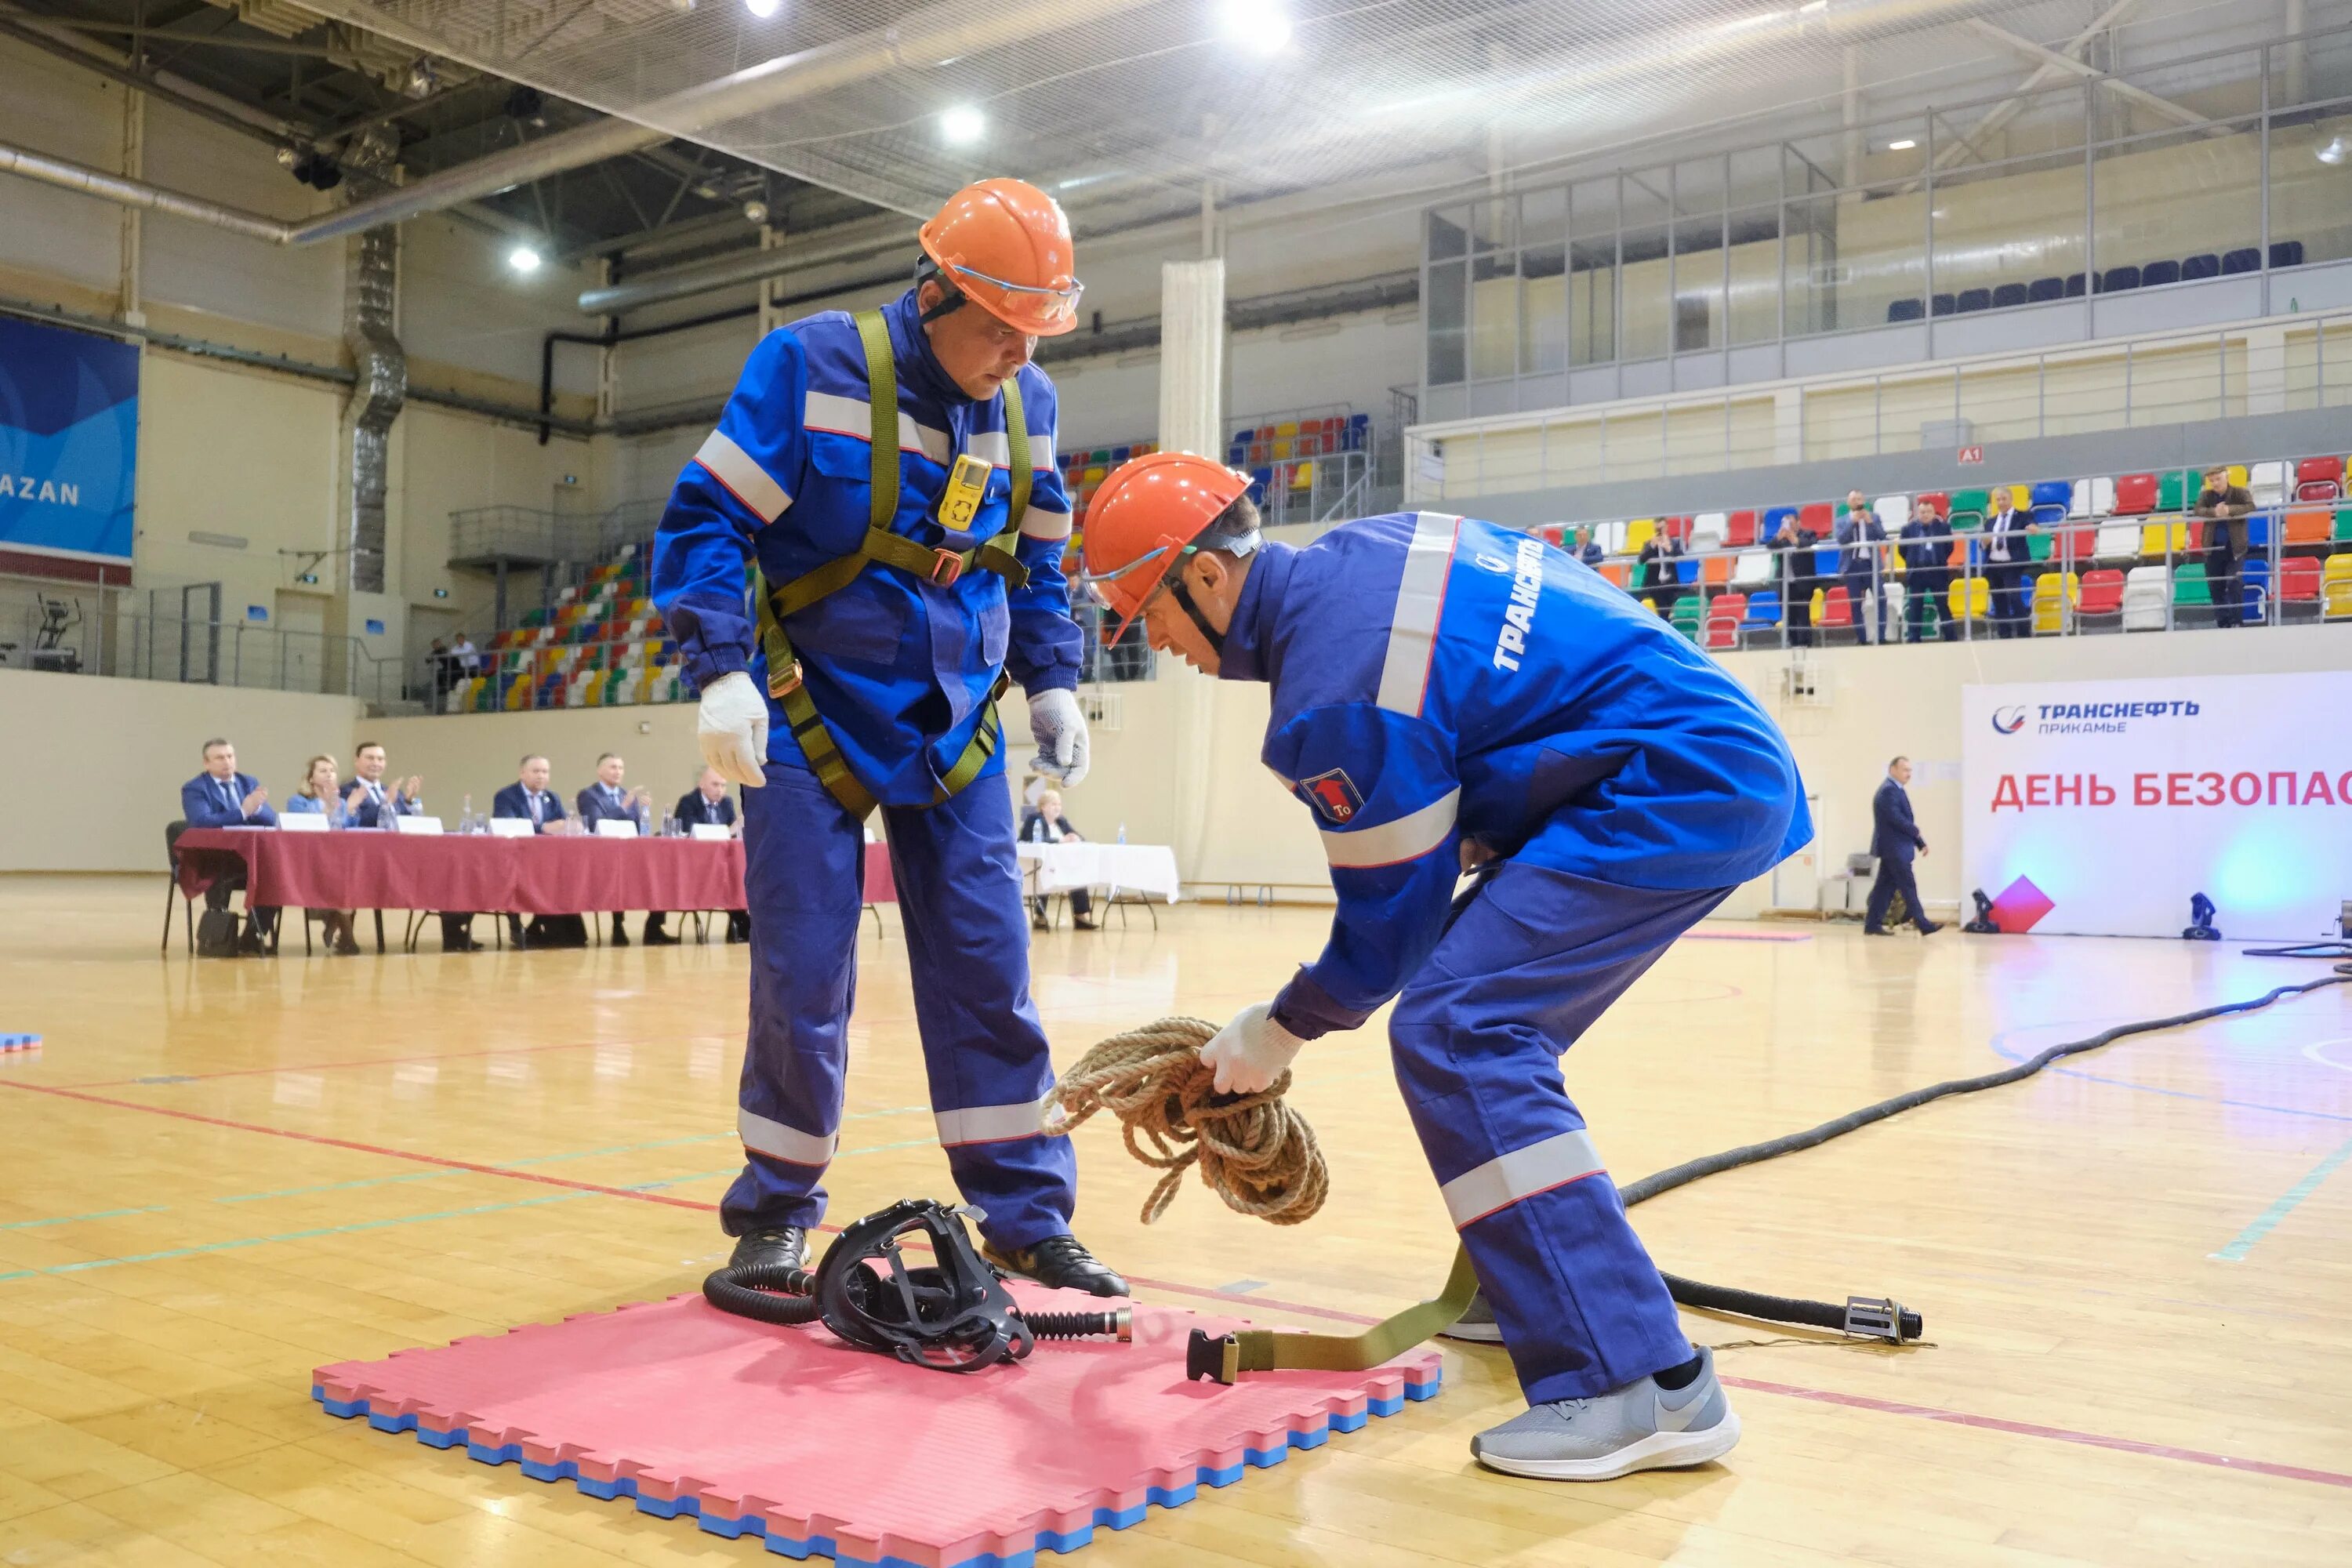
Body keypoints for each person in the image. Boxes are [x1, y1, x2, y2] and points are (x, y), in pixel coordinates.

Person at [1080, 452, 1811, 1483]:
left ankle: (1642, 1384)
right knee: (1466, 1019)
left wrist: (1277, 1029)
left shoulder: (1336, 696)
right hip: (1696, 760)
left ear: (1204, 577)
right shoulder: (1375, 547)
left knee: (1460, 1028)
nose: (1152, 644)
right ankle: (1537, 1301)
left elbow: (1389, 928)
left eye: (1142, 614)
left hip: (1669, 789)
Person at [651, 178, 1123, 1295]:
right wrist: (720, 670)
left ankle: (1023, 1212)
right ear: (935, 293)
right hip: (809, 714)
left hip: (957, 726)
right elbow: (709, 518)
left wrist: (1051, 680)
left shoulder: (1031, 405)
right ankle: (774, 1214)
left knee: (988, 968)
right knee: (802, 972)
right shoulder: (810, 366)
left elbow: (1041, 557)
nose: (1018, 352)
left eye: (1036, 332)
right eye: (1001, 327)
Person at [178, 738, 279, 953]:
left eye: (230, 756)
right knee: (219, 872)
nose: (227, 762)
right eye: (220, 758)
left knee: (277, 873)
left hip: (249, 857)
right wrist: (243, 812)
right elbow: (201, 822)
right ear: (206, 763)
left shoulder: (248, 782)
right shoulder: (195, 788)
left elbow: (271, 819)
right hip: (212, 858)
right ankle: (218, 936)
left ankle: (252, 934)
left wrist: (257, 809)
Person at [283, 754, 362, 956]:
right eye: (323, 771)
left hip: (338, 861)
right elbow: (303, 829)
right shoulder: (298, 801)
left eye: (332, 771)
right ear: (311, 778)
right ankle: (346, 936)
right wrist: (327, 810)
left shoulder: (341, 803)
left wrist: (350, 810)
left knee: (353, 877)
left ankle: (342, 931)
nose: (329, 775)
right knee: (343, 880)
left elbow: (349, 830)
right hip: (309, 862)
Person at [576, 753, 658, 946]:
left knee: (655, 874)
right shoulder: (589, 795)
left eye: (621, 768)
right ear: (600, 771)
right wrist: (624, 806)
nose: (618, 772)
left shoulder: (626, 795)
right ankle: (616, 925)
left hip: (627, 854)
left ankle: (653, 927)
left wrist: (645, 811)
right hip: (600, 855)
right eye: (613, 767)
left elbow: (640, 829)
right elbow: (596, 822)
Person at [493, 755, 574, 948]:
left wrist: (571, 825)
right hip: (514, 858)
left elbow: (561, 823)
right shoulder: (506, 796)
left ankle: (541, 924)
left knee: (563, 876)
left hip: (545, 860)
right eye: (536, 771)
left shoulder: (552, 797)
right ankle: (515, 924)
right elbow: (509, 826)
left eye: (545, 772)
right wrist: (543, 828)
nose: (541, 776)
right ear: (522, 773)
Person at [669, 766, 750, 943]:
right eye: (715, 785)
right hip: (695, 866)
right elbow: (691, 831)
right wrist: (730, 829)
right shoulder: (688, 802)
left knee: (737, 874)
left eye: (723, 785)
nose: (720, 790)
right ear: (702, 785)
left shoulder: (726, 802)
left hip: (720, 864)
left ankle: (739, 921)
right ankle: (740, 921)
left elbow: (731, 835)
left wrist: (737, 828)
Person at [1864, 757, 1940, 936]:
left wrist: (1919, 842)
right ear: (1893, 770)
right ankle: (1923, 924)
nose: (1909, 774)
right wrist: (1916, 832)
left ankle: (1872, 925)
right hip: (1894, 849)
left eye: (1910, 770)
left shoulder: (1897, 790)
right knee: (1908, 887)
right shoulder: (1888, 791)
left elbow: (1904, 821)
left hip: (1895, 849)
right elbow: (1896, 819)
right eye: (1905, 770)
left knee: (1884, 889)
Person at [1018, 788, 1094, 931]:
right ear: (1043, 807)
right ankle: (1040, 917)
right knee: (1046, 872)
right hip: (1036, 864)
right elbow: (1034, 840)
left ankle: (1080, 916)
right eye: (1053, 804)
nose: (1057, 807)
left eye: (1059, 804)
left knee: (1077, 873)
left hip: (1061, 863)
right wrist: (1061, 840)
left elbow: (1077, 836)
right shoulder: (1034, 819)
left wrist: (1075, 838)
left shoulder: (1061, 821)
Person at [2191, 463, 2256, 629]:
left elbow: (2250, 506)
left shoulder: (2240, 492)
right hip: (2212, 549)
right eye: (2212, 481)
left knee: (2234, 582)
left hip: (2235, 548)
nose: (2215, 483)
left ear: (2226, 476)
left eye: (2218, 479)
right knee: (2215, 586)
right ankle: (2223, 622)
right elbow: (2197, 510)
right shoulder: (2206, 495)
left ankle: (2236, 621)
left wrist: (2229, 510)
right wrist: (2214, 512)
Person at [1980, 487, 2038, 639]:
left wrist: (2032, 527)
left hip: (2011, 564)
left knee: (2014, 598)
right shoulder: (1991, 521)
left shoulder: (2022, 515)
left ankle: (2023, 633)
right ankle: (2004, 634)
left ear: (2011, 500)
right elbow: (1982, 544)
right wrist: (1984, 543)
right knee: (1999, 601)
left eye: (2003, 499)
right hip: (1994, 564)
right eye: (1998, 500)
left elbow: (2031, 523)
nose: (2001, 502)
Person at [1838, 491, 1889, 645]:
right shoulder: (1842, 521)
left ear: (1864, 501)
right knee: (1855, 604)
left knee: (1881, 599)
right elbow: (1841, 539)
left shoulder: (1874, 517)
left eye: (1859, 499)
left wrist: (1870, 522)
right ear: (1848, 502)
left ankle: (1881, 637)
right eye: (1854, 499)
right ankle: (1862, 638)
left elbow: (1882, 536)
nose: (1857, 501)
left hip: (1871, 565)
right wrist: (1852, 522)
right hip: (1852, 566)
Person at [1898, 497, 1952, 643]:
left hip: (1938, 572)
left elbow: (1949, 548)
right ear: (1917, 513)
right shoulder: (1907, 529)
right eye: (1922, 512)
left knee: (1943, 606)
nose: (1926, 515)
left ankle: (1951, 637)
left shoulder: (1944, 528)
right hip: (1917, 573)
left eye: (1929, 512)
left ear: (1934, 513)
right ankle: (1914, 638)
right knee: (1915, 608)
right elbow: (1902, 551)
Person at [1769, 508, 1819, 645]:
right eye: (1786, 524)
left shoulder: (1808, 534)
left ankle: (1806, 644)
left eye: (1791, 523)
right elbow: (1770, 546)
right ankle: (1793, 644)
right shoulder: (1782, 539)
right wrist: (1780, 535)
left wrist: (1793, 537)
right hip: (1785, 584)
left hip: (1802, 583)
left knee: (1803, 615)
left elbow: (1808, 544)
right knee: (1788, 616)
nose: (1789, 527)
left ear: (1798, 523)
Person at [343, 742, 422, 828]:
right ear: (356, 761)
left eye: (380, 759)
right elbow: (358, 819)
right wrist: (386, 804)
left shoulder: (395, 793)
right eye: (370, 758)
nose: (376, 763)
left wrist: (408, 801)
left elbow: (408, 825)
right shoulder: (346, 791)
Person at [1634, 528, 1682, 620]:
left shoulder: (1674, 542)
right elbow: (1641, 560)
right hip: (1654, 585)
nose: (1660, 534)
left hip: (1671, 584)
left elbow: (1681, 558)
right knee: (1660, 613)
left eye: (1662, 531)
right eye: (1658, 531)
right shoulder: (1649, 544)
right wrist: (1652, 546)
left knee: (1668, 612)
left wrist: (1669, 549)